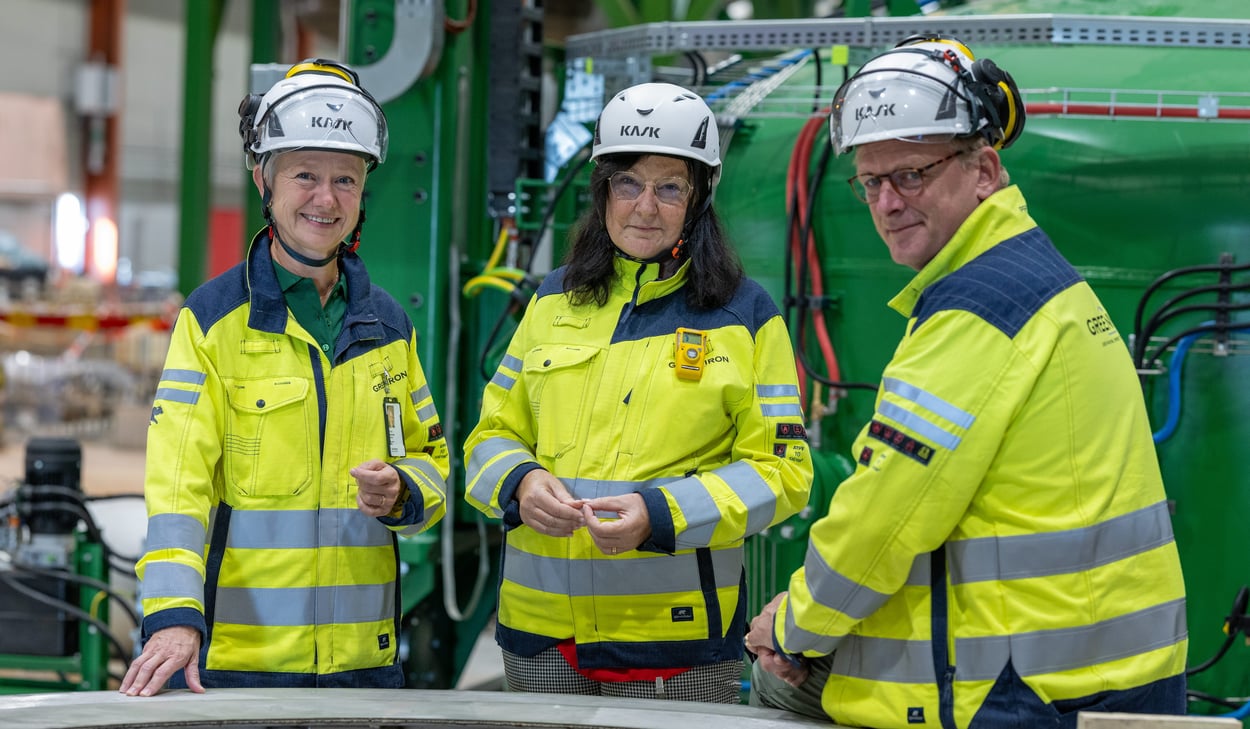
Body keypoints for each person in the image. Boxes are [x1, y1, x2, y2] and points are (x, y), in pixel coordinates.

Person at [746, 37, 1188, 727]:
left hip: (1027, 692)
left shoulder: (980, 309)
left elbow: (883, 521)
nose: (887, 202)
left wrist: (794, 625)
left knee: (771, 684)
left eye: (912, 175)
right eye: (871, 181)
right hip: (1108, 676)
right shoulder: (1037, 278)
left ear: (984, 168)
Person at [463, 82, 813, 703]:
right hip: (543, 640)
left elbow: (783, 474)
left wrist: (663, 514)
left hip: (677, 649)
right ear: (602, 192)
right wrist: (517, 480)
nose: (645, 207)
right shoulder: (554, 300)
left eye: (669, 187)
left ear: (700, 197)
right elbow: (490, 435)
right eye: (628, 183)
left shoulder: (746, 316)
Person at [119, 59, 449, 695]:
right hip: (238, 668)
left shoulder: (388, 327)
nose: (325, 199)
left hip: (367, 666)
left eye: (345, 180)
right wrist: (172, 617)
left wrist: (404, 491)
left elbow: (431, 462)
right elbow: (177, 488)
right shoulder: (213, 322)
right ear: (262, 179)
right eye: (305, 175)